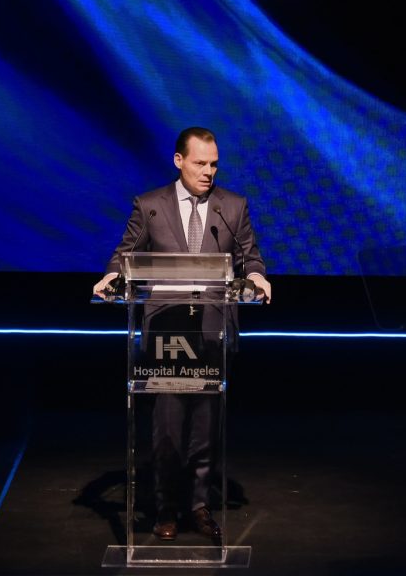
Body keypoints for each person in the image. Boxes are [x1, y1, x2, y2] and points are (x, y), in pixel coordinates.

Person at [93, 127, 271, 542]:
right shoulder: (150, 206)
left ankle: (199, 504)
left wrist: (258, 277)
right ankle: (166, 506)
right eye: (200, 163)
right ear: (179, 160)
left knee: (206, 423)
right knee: (169, 424)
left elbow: (251, 258)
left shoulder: (233, 207)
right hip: (166, 328)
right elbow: (125, 254)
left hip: (213, 326)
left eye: (214, 164)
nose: (209, 172)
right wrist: (111, 276)